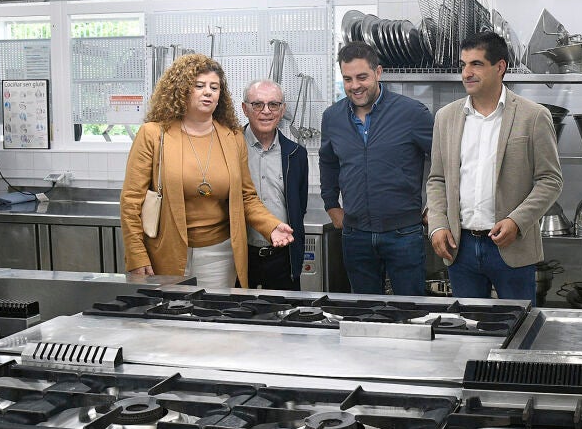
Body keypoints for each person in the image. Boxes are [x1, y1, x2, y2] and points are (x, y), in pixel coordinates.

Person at [120, 54, 294, 288]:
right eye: (199, 86)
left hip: (220, 256)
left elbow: (246, 197)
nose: (208, 92)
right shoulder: (153, 134)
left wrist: (270, 225)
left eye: (214, 87)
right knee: (171, 311)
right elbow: (131, 201)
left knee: (213, 311)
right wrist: (136, 255)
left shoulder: (232, 137)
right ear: (182, 90)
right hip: (165, 252)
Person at [426, 31, 562, 303]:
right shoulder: (446, 117)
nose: (466, 73)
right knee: (469, 325)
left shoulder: (533, 116)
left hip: (512, 245)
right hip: (460, 247)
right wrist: (437, 224)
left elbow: (550, 180)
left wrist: (517, 221)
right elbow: (437, 179)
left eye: (476, 64)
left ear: (500, 67)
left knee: (518, 324)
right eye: (463, 64)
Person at [320, 41, 433, 296]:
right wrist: (331, 204)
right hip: (355, 234)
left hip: (404, 233)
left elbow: (444, 160)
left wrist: (436, 205)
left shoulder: (412, 113)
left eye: (362, 77)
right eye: (347, 79)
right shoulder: (332, 117)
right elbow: (328, 162)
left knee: (411, 310)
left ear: (378, 72)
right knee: (364, 310)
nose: (355, 86)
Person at [241, 79, 308, 290]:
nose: (266, 111)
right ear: (244, 109)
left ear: (283, 109)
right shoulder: (229, 148)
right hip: (240, 256)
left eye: (273, 104)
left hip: (282, 258)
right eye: (257, 104)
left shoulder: (296, 154)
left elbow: (299, 207)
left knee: (285, 310)